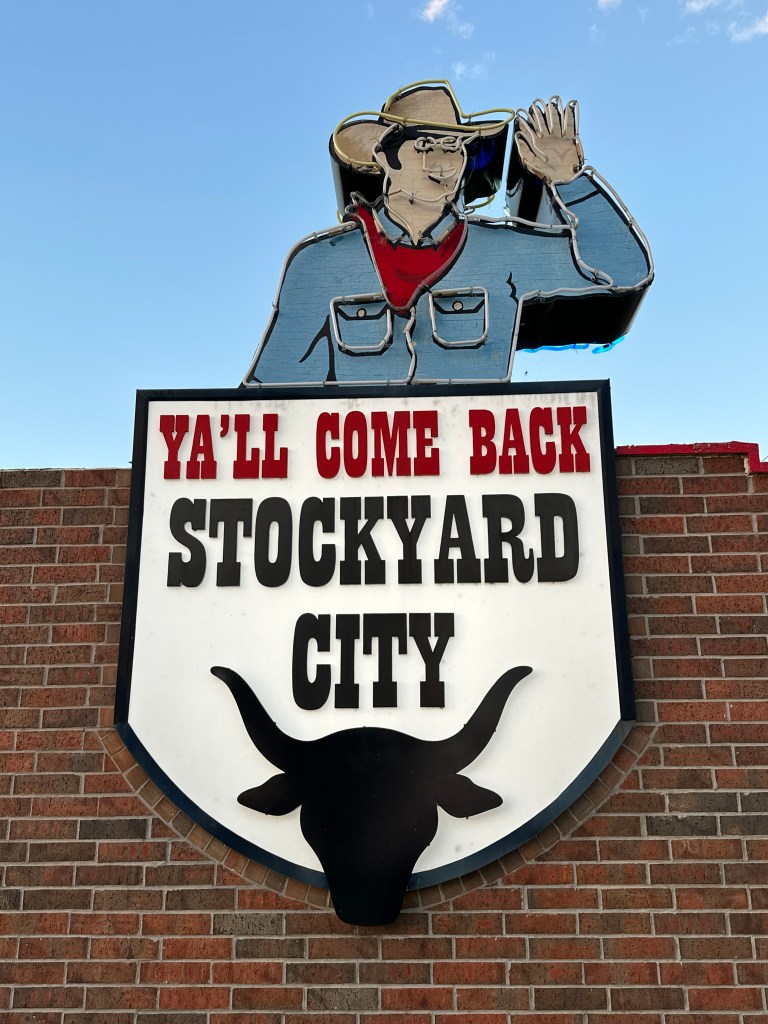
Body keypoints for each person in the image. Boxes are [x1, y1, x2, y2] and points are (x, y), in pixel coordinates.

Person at [242, 81, 653, 387]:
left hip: (479, 491)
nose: (443, 162)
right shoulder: (320, 263)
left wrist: (570, 180)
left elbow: (620, 274)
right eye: (425, 147)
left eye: (453, 147)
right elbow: (273, 395)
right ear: (386, 158)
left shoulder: (504, 252)